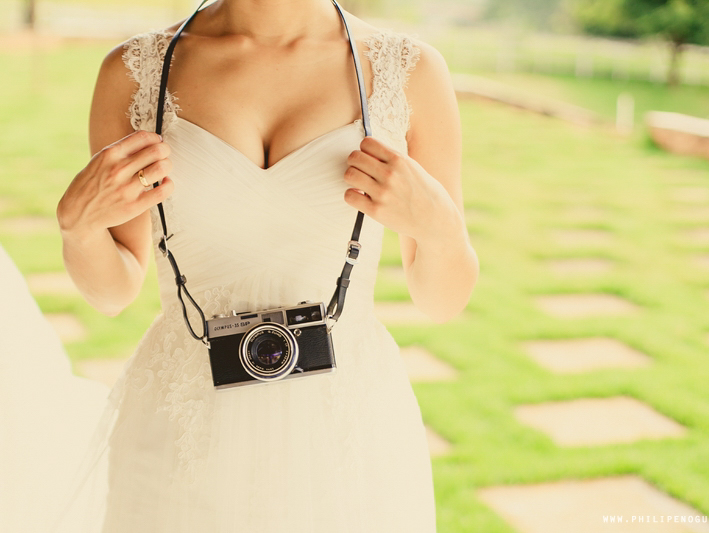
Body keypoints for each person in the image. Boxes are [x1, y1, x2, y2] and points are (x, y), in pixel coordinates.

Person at [53, 0, 478, 530]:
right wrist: (79, 229)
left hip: (345, 434)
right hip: (179, 438)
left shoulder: (407, 70)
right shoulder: (136, 71)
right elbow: (112, 292)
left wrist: (439, 228)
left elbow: (442, 301)